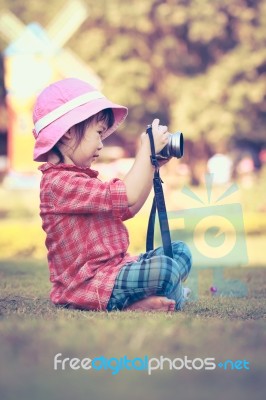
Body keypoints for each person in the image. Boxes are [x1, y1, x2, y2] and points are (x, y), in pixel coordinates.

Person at [32, 78, 192, 312]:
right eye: (98, 133)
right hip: (89, 283)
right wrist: (145, 149)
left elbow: (129, 207)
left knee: (180, 252)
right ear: (67, 133)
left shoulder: (81, 178)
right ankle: (156, 299)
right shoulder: (59, 183)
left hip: (116, 269)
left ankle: (155, 297)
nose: (101, 144)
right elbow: (126, 196)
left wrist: (152, 166)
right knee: (166, 270)